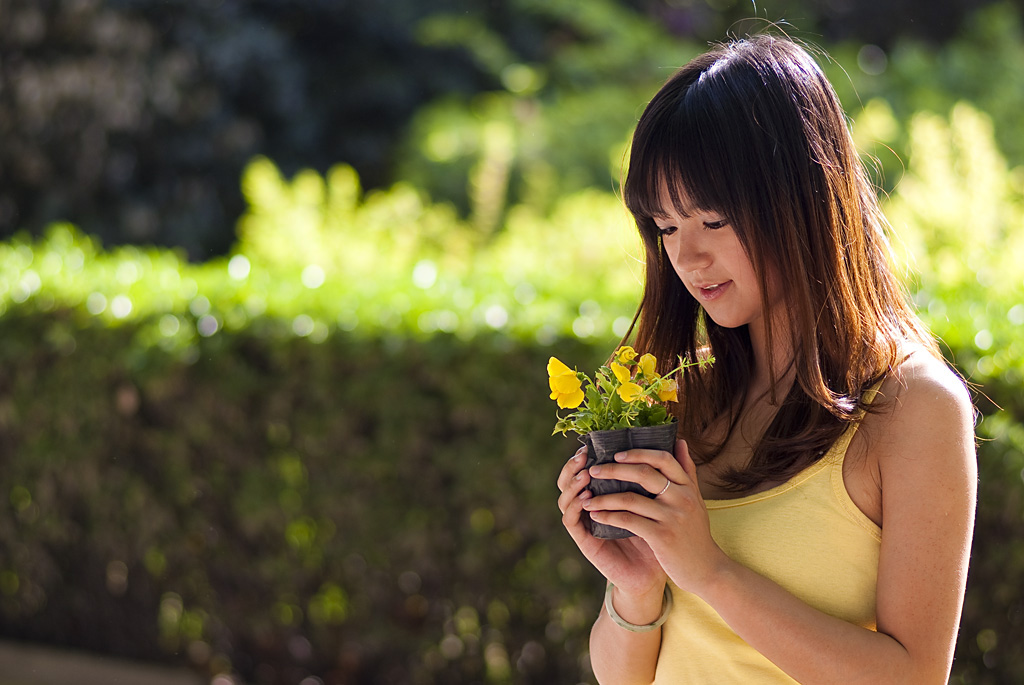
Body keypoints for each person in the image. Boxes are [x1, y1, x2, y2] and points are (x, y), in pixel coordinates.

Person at [555, 34, 976, 684]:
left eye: (713, 220)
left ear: (802, 198)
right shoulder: (688, 396)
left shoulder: (912, 407)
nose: (687, 258)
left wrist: (711, 573)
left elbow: (915, 674)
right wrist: (635, 588)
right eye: (666, 228)